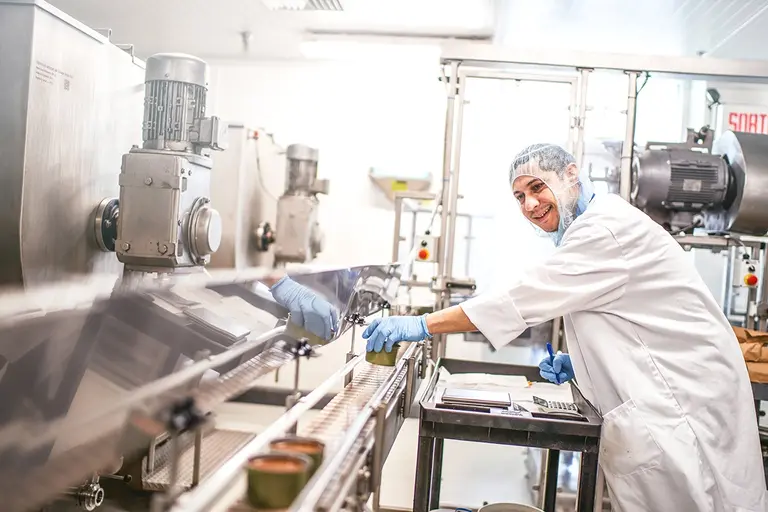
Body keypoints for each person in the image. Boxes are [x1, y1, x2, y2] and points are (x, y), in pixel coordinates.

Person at [362, 144, 767, 512]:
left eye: (537, 187)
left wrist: (422, 324)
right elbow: (632, 321)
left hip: (683, 406)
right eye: (519, 196)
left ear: (571, 174)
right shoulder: (593, 226)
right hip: (667, 393)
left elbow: (520, 299)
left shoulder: (604, 230)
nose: (530, 204)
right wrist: (585, 363)